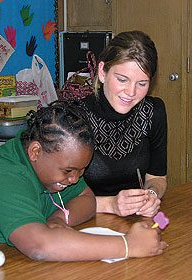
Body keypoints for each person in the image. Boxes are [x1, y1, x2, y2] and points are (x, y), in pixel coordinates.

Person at [0, 101, 167, 262]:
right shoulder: (4, 179)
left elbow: (86, 198)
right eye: (69, 170)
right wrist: (128, 246)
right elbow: (40, 246)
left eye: (81, 170)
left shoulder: (52, 165)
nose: (75, 178)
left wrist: (59, 218)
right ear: (35, 151)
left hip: (12, 263)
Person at [78, 30, 168, 218]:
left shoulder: (153, 112)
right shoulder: (73, 118)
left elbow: (157, 178)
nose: (131, 92)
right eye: (122, 80)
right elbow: (56, 202)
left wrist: (151, 195)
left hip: (132, 222)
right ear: (102, 72)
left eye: (142, 84)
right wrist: (111, 204)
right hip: (83, 224)